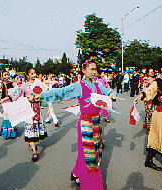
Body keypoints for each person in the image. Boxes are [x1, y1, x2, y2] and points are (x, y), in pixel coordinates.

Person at [35, 58, 117, 189]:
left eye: (96, 69)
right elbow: (61, 92)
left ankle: (76, 173)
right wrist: (42, 95)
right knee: (89, 157)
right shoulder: (79, 85)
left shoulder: (97, 85)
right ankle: (91, 186)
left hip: (96, 122)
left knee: (94, 152)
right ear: (84, 70)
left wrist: (112, 94)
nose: (95, 72)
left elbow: (109, 92)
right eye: (92, 69)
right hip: (85, 123)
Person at [0, 71, 18, 140]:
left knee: (11, 115)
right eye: (5, 75)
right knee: (6, 116)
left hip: (10, 101)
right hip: (4, 102)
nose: (6, 76)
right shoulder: (1, 84)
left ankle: (12, 131)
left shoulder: (12, 83)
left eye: (7, 75)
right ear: (2, 77)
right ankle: (7, 133)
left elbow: (17, 89)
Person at [142, 68, 155, 133]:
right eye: (150, 72)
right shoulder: (146, 80)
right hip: (148, 98)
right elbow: (143, 88)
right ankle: (148, 127)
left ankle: (145, 122)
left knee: (151, 111)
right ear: (147, 73)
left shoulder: (155, 80)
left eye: (152, 72)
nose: (152, 73)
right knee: (149, 112)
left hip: (154, 97)